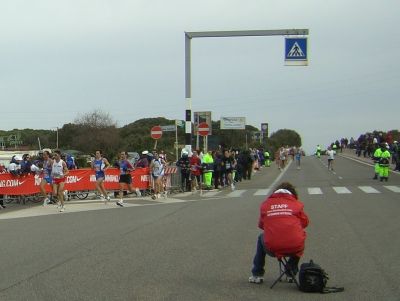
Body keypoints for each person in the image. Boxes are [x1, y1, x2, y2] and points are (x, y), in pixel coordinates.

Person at [249, 182, 309, 284]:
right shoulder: (296, 204)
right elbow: (305, 222)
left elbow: (261, 225)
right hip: (294, 247)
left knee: (261, 238)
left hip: (272, 248)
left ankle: (257, 274)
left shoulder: (266, 205)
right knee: (299, 237)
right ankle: (290, 273)